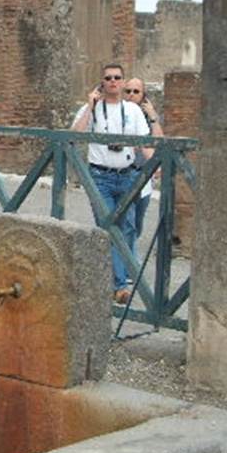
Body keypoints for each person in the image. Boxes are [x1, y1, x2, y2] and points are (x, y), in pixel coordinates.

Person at [71, 64, 150, 304]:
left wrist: (157, 165)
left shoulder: (133, 111)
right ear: (102, 83)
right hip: (100, 177)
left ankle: (119, 281)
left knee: (127, 228)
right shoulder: (91, 108)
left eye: (117, 78)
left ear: (123, 82)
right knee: (109, 228)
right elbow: (74, 135)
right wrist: (91, 106)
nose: (113, 81)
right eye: (108, 78)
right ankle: (121, 284)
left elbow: (144, 143)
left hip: (126, 175)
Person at [124, 77, 164, 240]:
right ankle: (126, 260)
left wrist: (153, 116)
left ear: (143, 95)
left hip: (144, 175)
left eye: (136, 91)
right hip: (124, 173)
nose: (131, 95)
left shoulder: (149, 117)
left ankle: (128, 255)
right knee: (127, 222)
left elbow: (160, 142)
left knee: (137, 222)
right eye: (128, 91)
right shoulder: (120, 112)